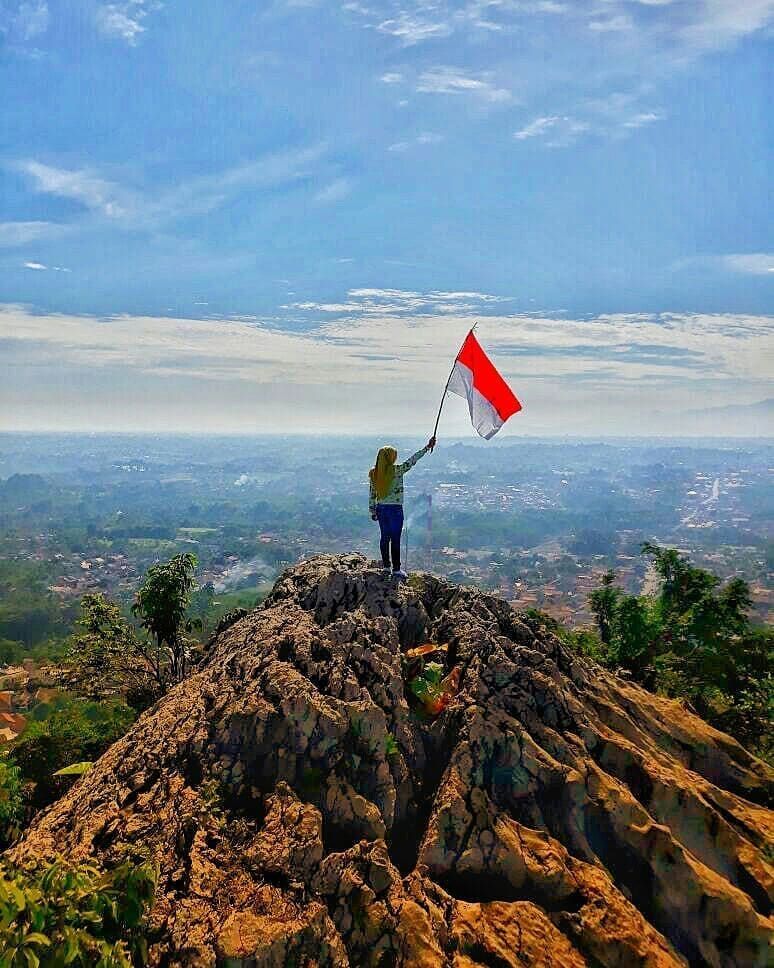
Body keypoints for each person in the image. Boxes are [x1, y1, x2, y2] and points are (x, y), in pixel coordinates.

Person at [369, 437, 435, 578]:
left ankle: (386, 567)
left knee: (384, 538)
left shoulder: (374, 473)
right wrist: (427, 447)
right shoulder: (397, 471)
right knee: (395, 539)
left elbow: (372, 494)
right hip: (395, 510)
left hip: (381, 510)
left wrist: (373, 511)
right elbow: (412, 461)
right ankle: (396, 569)